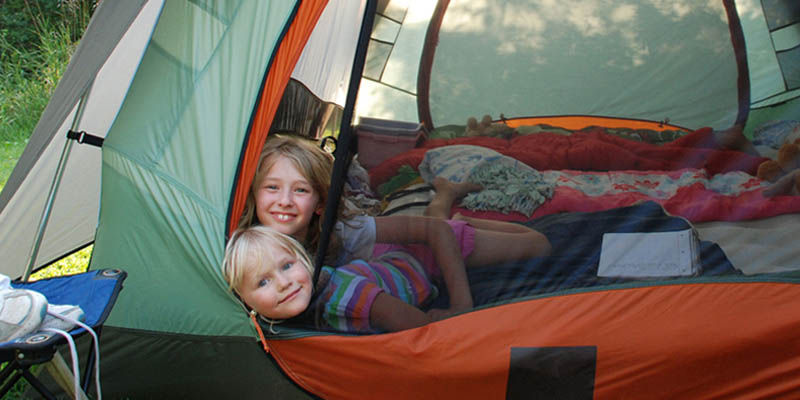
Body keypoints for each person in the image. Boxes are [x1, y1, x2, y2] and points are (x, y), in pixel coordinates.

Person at [238, 134, 552, 278]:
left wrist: (460, 304)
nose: (284, 201)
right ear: (253, 193)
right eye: (272, 187)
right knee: (440, 222)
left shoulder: (348, 231)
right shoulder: (250, 243)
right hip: (421, 243)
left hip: (441, 249)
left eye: (301, 190)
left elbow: (434, 233)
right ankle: (448, 199)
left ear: (321, 203)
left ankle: (449, 201)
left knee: (540, 244)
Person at [224, 225, 475, 333]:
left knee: (457, 231)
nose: (283, 282)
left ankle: (446, 193)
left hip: (412, 268)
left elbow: (424, 329)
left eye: (287, 266)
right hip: (375, 267)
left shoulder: (350, 297)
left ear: (304, 260)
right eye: (262, 282)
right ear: (243, 301)